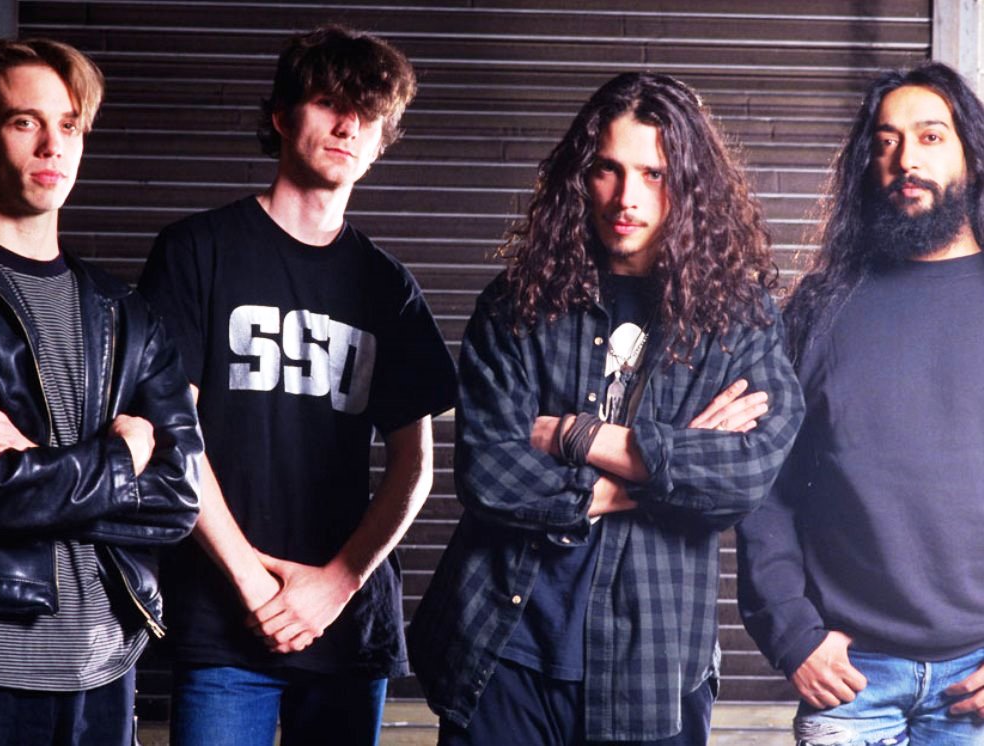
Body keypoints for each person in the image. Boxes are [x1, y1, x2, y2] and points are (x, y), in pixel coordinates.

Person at [408, 71, 804, 745]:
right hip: (503, 654)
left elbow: (743, 476)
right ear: (580, 178)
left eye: (654, 174)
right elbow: (489, 474)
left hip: (652, 667)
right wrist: (670, 464)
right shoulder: (516, 305)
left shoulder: (739, 319)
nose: (627, 197)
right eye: (607, 170)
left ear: (691, 187)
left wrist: (576, 434)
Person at [138, 24, 457, 746]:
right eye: (329, 103)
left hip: (347, 626)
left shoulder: (388, 286)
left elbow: (416, 466)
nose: (349, 126)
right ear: (282, 116)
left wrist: (336, 583)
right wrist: (254, 585)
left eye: (368, 114)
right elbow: (173, 438)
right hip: (225, 623)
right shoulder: (197, 251)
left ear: (381, 140)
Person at [737, 61, 984, 745]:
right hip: (851, 679)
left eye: (930, 137)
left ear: (971, 154)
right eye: (885, 142)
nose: (906, 160)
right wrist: (792, 634)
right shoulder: (819, 308)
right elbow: (765, 488)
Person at [0, 38, 201, 745]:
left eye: (70, 125)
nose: (53, 145)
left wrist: (34, 464)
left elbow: (178, 499)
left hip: (108, 664)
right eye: (25, 121)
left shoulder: (126, 314)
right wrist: (117, 458)